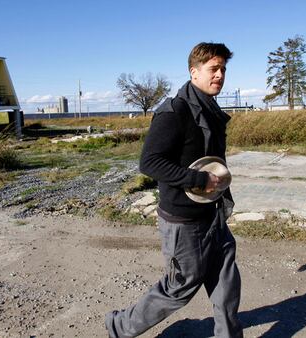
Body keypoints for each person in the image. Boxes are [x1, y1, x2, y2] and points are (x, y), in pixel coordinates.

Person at [105, 42, 243, 338]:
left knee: (227, 287)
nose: (220, 75)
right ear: (194, 72)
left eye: (223, 69)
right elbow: (150, 163)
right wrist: (198, 180)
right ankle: (119, 326)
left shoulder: (211, 111)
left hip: (213, 216)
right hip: (183, 222)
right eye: (213, 69)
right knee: (179, 288)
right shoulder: (175, 111)